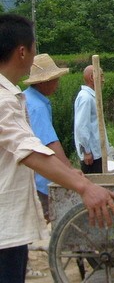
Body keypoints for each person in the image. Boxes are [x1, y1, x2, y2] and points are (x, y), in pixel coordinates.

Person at [0, 14, 114, 283]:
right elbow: (29, 148)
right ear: (22, 52)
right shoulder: (4, 98)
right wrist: (83, 186)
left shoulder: (14, 94)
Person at [23, 53, 71, 222]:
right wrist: (69, 171)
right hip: (39, 176)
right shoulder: (37, 107)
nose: (57, 83)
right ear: (44, 82)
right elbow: (50, 142)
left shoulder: (28, 99)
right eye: (54, 79)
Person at [74, 65, 110, 174]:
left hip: (97, 152)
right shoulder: (85, 98)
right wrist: (87, 151)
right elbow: (81, 126)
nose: (103, 80)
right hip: (92, 155)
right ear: (92, 77)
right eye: (101, 76)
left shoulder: (92, 97)